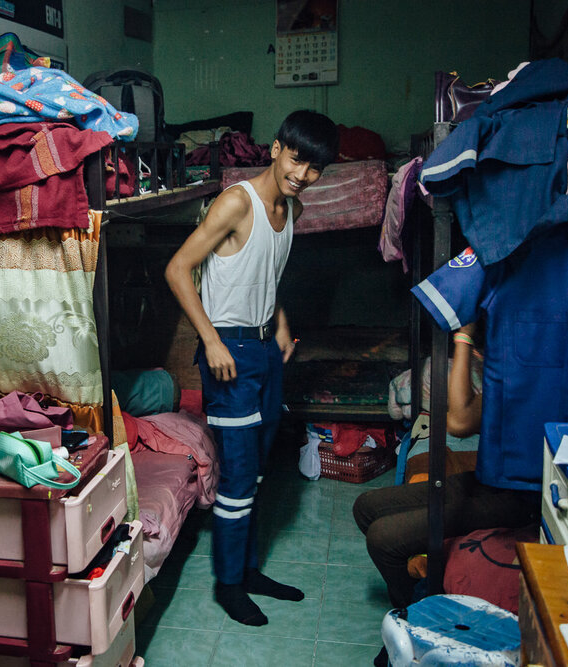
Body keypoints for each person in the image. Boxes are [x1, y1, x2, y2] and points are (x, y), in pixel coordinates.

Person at [164, 109, 339, 626]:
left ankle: (249, 568)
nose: (302, 173)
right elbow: (177, 268)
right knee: (238, 475)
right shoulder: (237, 202)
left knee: (259, 469)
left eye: (314, 168)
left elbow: (266, 274)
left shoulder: (294, 212)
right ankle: (229, 583)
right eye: (297, 158)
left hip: (264, 350)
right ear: (276, 148)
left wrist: (279, 322)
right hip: (230, 353)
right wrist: (210, 339)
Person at [352, 320, 539, 611]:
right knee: (365, 506)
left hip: (523, 496)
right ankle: (419, 600)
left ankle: (416, 616)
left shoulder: (538, 376)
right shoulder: (510, 373)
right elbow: (463, 411)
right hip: (491, 479)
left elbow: (458, 422)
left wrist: (463, 337)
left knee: (383, 538)